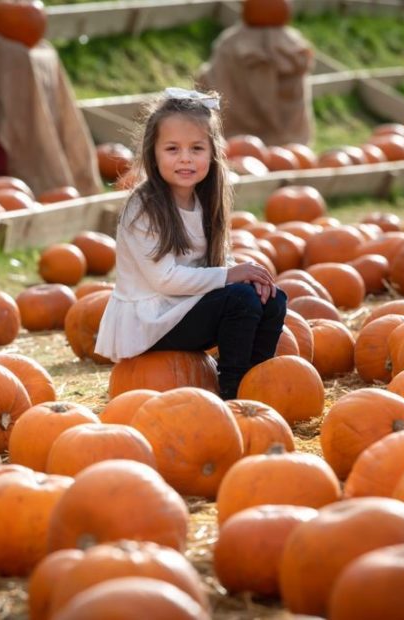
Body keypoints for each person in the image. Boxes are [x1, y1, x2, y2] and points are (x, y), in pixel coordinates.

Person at [94, 87, 287, 400]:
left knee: (272, 299)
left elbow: (215, 265)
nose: (185, 158)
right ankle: (233, 392)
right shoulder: (145, 206)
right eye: (172, 149)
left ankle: (257, 381)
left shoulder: (205, 200)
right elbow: (165, 279)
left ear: (211, 152)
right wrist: (232, 275)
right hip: (150, 323)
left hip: (181, 309)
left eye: (196, 148)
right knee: (240, 299)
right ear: (152, 153)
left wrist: (240, 274)